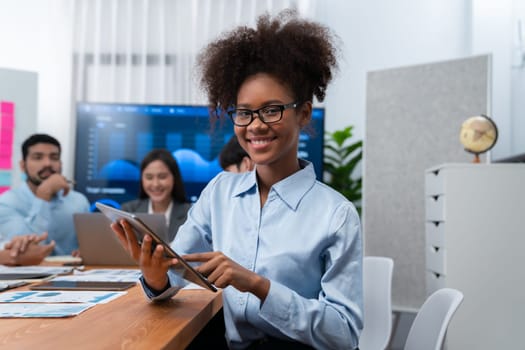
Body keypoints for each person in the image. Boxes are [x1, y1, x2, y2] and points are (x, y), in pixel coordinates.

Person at [112, 10, 363, 350]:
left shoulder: (336, 214)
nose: (255, 125)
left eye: (271, 110)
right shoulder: (220, 192)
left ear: (303, 113)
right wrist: (156, 277)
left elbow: (344, 333)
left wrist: (258, 285)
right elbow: (177, 270)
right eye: (244, 113)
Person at [0, 133, 90, 256]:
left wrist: (85, 252)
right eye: (38, 157)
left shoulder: (79, 201)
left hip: (74, 273)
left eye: (54, 157)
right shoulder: (7, 203)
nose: (47, 163)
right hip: (28, 274)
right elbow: (25, 251)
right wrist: (44, 194)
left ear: (60, 164)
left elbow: (89, 248)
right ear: (23, 166)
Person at [121, 148, 191, 242]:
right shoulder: (128, 211)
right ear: (142, 180)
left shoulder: (191, 214)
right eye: (149, 177)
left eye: (162, 177)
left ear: (174, 178)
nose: (156, 184)